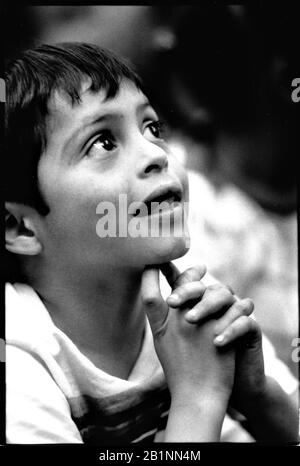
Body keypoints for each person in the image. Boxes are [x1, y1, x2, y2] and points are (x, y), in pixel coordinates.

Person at [4, 43, 298, 444]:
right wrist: (198, 397)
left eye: (152, 128)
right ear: (21, 228)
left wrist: (257, 397)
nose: (158, 155)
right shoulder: (16, 360)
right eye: (103, 142)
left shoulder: (191, 305)